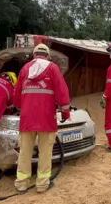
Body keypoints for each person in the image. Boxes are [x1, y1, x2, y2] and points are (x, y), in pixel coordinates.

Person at [13, 44, 71, 193]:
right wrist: (65, 112)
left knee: (25, 152)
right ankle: (42, 185)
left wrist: (24, 106)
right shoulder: (52, 68)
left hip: (27, 119)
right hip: (46, 119)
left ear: (34, 55)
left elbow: (17, 97)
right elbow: (62, 92)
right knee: (45, 152)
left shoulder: (25, 69)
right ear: (48, 55)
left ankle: (21, 184)